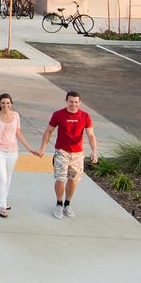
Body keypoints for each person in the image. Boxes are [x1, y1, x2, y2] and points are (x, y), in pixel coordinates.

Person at [0, 93, 41, 217]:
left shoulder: (16, 116)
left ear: (11, 104)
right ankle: (3, 205)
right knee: (2, 177)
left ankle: (3, 198)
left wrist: (30, 149)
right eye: (3, 103)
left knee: (8, 176)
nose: (5, 105)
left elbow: (18, 133)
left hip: (12, 150)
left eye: (8, 103)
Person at [40, 91, 98, 219]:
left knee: (73, 179)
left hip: (77, 153)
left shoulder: (85, 116)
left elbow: (91, 135)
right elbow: (48, 131)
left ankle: (67, 204)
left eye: (76, 102)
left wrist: (94, 151)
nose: (74, 104)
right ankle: (59, 203)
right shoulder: (58, 114)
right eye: (71, 101)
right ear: (66, 101)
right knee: (60, 178)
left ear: (80, 102)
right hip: (62, 151)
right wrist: (43, 148)